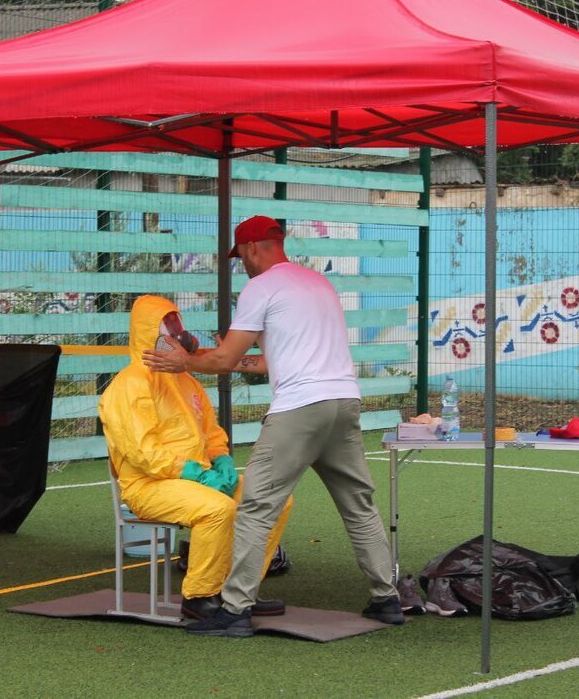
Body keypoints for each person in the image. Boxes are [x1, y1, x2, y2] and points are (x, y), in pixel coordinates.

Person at [143, 216, 404, 637]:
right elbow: (263, 362)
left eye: (239, 256)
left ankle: (234, 610)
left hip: (300, 408)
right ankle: (386, 599)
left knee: (256, 506)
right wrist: (204, 354)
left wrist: (185, 361)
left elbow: (227, 362)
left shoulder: (260, 287)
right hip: (344, 402)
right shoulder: (318, 284)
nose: (239, 264)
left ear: (250, 248)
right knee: (359, 506)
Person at [98, 294, 292, 621]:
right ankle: (199, 596)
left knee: (274, 499)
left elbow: (211, 433)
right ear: (150, 332)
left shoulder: (185, 380)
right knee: (218, 509)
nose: (180, 335)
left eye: (178, 325)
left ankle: (241, 590)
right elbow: (144, 453)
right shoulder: (129, 386)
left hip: (196, 478)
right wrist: (196, 473)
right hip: (148, 486)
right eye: (170, 326)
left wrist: (221, 461)